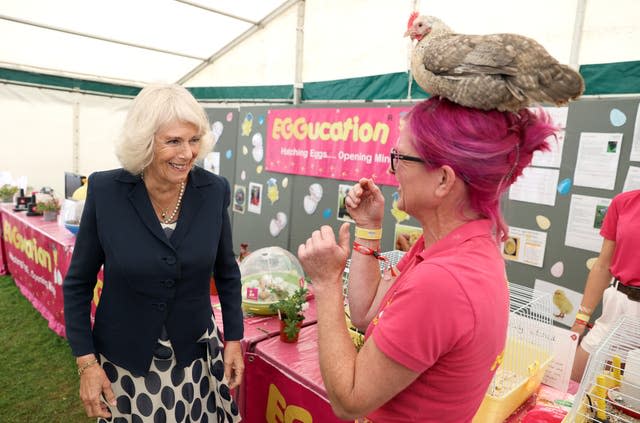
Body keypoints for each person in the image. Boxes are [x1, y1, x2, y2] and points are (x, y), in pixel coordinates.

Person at [297, 97, 556, 422]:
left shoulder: (442, 282)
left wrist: (325, 282)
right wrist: (368, 227)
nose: (391, 169)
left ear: (444, 180)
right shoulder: (461, 246)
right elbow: (365, 314)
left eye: (400, 158)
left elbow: (349, 399)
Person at [63, 84, 244, 422]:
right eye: (173, 141)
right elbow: (77, 284)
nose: (187, 153)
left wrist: (234, 337)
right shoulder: (105, 192)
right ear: (145, 142)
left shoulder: (214, 190)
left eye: (193, 140)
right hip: (125, 363)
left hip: (194, 360)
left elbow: (227, 271)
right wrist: (87, 363)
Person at [571, 189, 640, 382]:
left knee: (629, 397)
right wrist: (580, 320)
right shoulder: (624, 202)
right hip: (619, 305)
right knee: (574, 380)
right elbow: (602, 266)